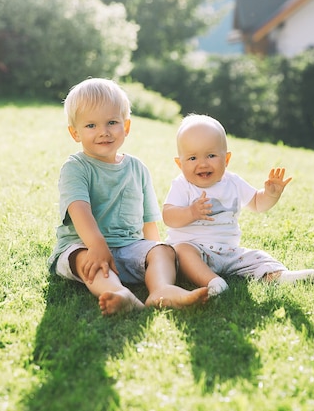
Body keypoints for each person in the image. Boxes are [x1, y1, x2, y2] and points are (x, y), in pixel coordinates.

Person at [47, 79, 209, 315]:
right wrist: (97, 245)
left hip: (129, 247)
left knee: (162, 250)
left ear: (127, 126)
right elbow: (79, 209)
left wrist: (153, 251)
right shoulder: (76, 167)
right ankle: (119, 293)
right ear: (75, 133)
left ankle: (162, 289)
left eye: (112, 122)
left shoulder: (137, 168)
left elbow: (148, 220)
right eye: (91, 125)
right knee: (86, 261)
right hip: (83, 245)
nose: (103, 131)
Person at [162, 114, 314, 297]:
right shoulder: (183, 185)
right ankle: (213, 282)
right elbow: (168, 216)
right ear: (179, 164)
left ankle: (278, 275)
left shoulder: (233, 182)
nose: (202, 163)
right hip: (195, 251)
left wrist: (270, 194)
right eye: (192, 158)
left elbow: (257, 203)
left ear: (226, 159)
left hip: (229, 253)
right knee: (181, 251)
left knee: (258, 256)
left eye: (211, 155)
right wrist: (191, 212)